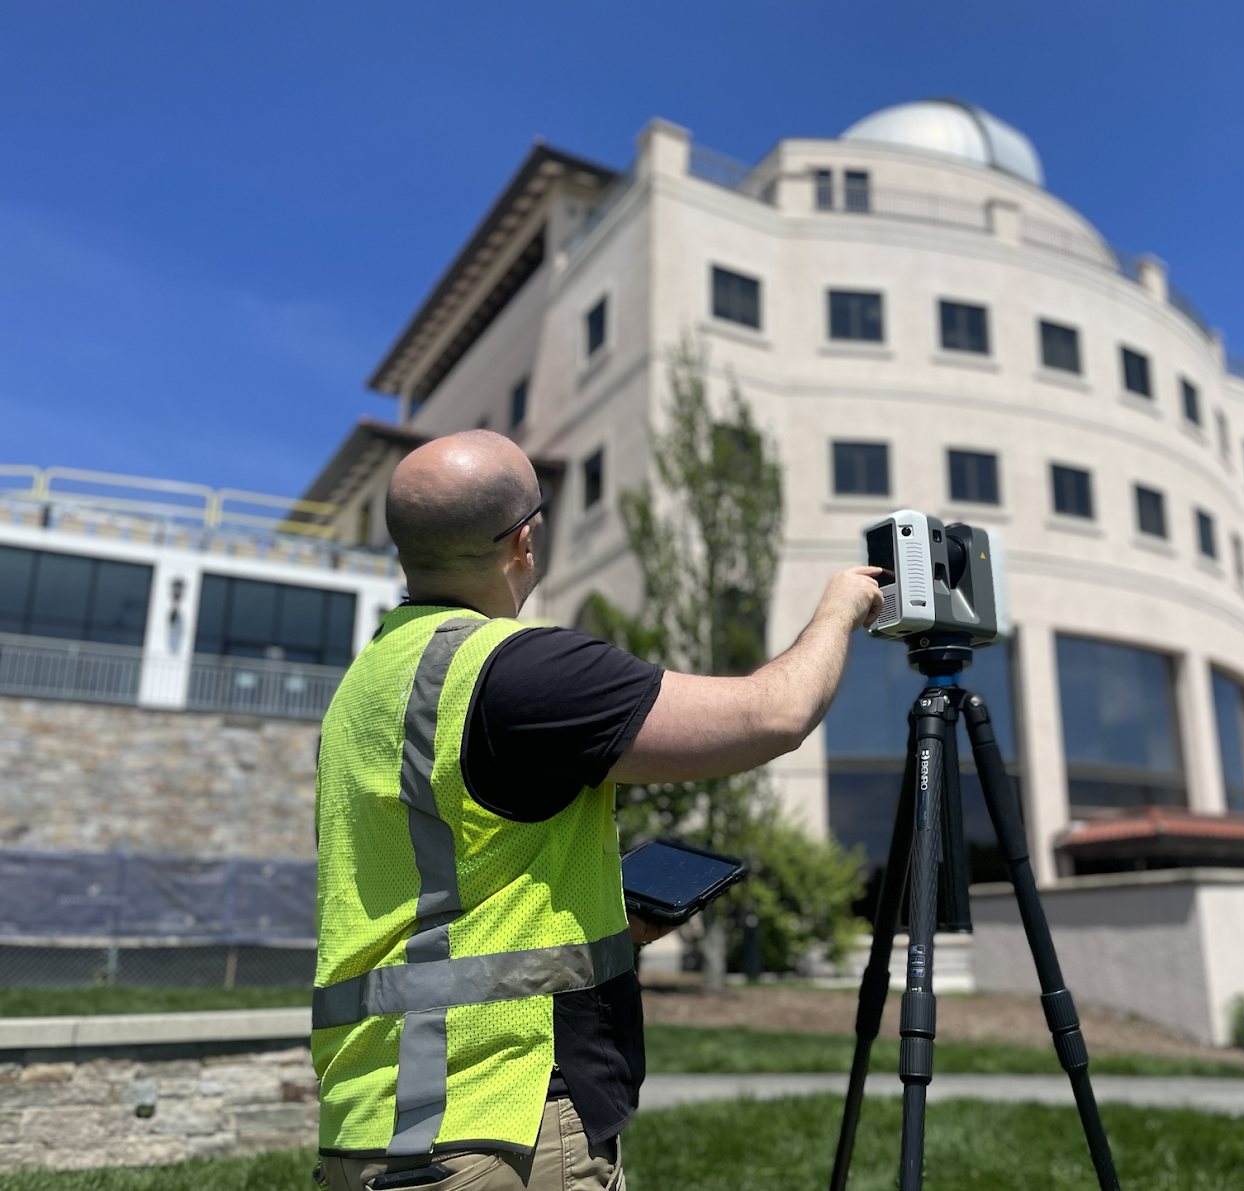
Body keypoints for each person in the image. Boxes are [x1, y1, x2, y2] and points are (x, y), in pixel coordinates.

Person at [313, 430, 883, 1191]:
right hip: (498, 1120)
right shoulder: (521, 669)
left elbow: (448, 885)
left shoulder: (365, 685)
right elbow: (774, 714)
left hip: (368, 1125)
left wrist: (611, 921)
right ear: (524, 541)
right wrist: (841, 608)